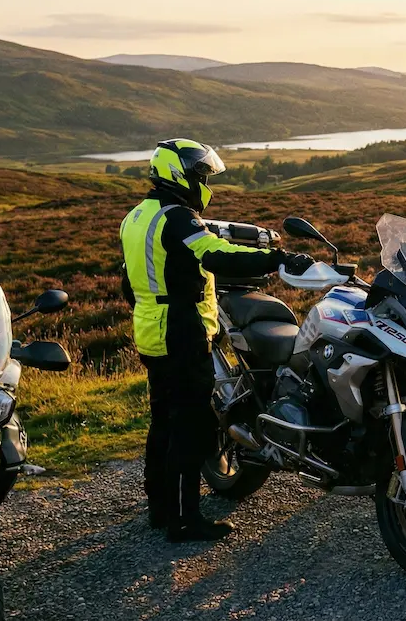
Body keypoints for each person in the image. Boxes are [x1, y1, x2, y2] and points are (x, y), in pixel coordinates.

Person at [120, 138, 311, 543]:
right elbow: (216, 255)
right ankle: (186, 520)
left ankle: (161, 507)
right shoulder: (177, 218)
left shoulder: (136, 216)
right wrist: (277, 259)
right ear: (180, 174)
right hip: (180, 330)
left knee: (165, 422)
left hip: (151, 327)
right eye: (201, 175)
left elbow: (128, 279)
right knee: (193, 425)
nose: (205, 183)